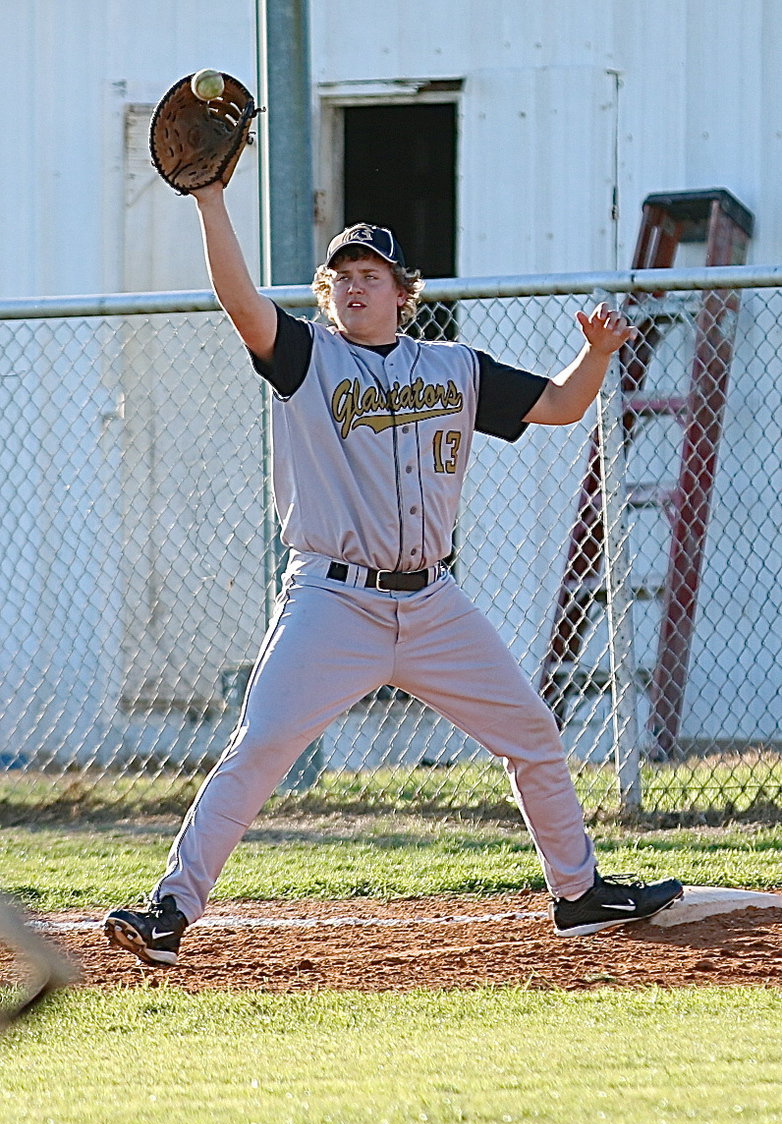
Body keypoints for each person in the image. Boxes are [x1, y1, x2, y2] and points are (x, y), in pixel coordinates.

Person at [104, 184, 683, 966]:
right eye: (342, 274)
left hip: (435, 602)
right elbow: (241, 303)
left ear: (404, 293)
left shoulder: (453, 368)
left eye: (372, 273)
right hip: (332, 601)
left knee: (532, 735)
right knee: (263, 744)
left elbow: (560, 405)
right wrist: (211, 203)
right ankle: (170, 910)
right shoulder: (308, 357)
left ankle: (578, 896)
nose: (354, 284)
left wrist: (597, 354)